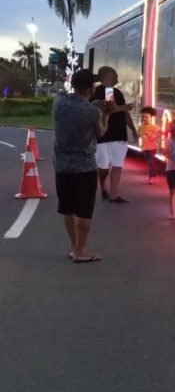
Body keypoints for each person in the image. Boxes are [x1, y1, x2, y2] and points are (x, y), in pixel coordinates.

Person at [53, 69, 115, 263]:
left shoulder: (59, 103)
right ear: (91, 88)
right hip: (84, 166)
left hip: (62, 165)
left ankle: (74, 247)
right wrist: (107, 114)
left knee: (68, 208)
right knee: (84, 210)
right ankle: (82, 251)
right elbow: (101, 133)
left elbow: (73, 104)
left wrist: (94, 106)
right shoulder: (91, 111)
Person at [91, 66, 138, 203]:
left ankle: (113, 194)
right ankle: (103, 185)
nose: (118, 76)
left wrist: (133, 130)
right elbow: (108, 110)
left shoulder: (115, 92)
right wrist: (123, 107)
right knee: (103, 167)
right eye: (115, 74)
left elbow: (124, 113)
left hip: (119, 134)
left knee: (117, 165)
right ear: (107, 76)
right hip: (104, 134)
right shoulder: (100, 92)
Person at [138, 106, 160, 184]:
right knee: (149, 162)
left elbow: (159, 134)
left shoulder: (154, 127)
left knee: (151, 162)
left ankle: (151, 177)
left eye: (147, 117)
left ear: (151, 118)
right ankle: (152, 176)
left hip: (152, 147)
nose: (145, 118)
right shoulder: (141, 126)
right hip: (145, 148)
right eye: (143, 117)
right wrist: (142, 136)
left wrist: (152, 138)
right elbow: (139, 134)